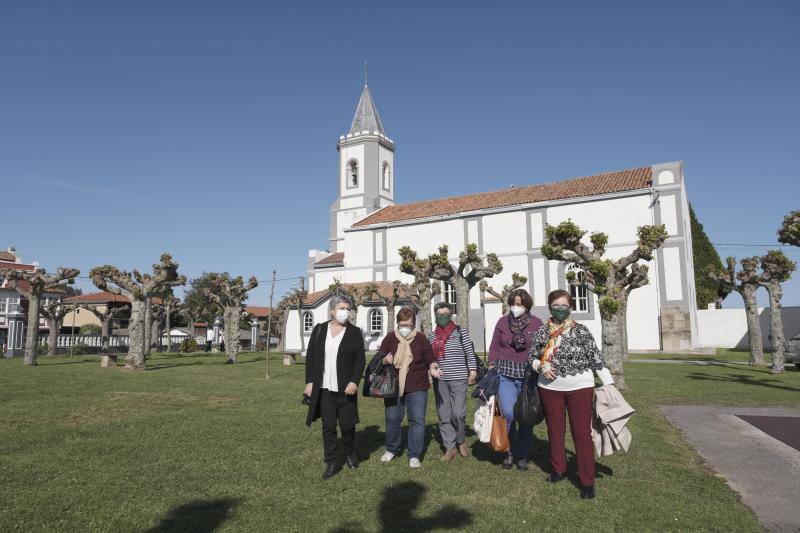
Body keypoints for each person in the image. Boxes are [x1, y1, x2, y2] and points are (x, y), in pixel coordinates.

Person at [529, 289, 615, 499]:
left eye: (564, 305)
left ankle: (587, 480)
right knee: (555, 430)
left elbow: (596, 358)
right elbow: (531, 356)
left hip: (580, 387)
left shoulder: (581, 331)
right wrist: (540, 366)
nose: (560, 309)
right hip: (550, 388)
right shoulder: (542, 332)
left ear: (570, 307)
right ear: (550, 307)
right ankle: (558, 469)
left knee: (581, 433)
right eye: (556, 305)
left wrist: (609, 383)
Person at [304, 295, 366, 480]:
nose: (345, 312)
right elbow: (311, 357)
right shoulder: (319, 329)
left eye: (348, 308)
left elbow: (360, 360)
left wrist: (354, 381)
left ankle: (348, 452)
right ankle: (331, 461)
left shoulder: (354, 332)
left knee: (347, 425)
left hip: (345, 388)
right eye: (341, 308)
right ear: (332, 311)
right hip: (323, 388)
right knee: (328, 426)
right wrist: (310, 382)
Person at [487, 288, 543, 471]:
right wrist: (491, 364)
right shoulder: (502, 322)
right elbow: (494, 346)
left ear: (526, 306)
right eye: (512, 304)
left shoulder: (537, 323)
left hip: (528, 377)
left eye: (518, 304)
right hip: (505, 375)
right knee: (509, 414)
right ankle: (509, 451)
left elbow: (542, 348)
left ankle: (523, 455)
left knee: (525, 417)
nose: (515, 307)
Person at [378, 308, 441, 468]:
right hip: (393, 385)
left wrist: (433, 366)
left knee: (417, 420)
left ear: (413, 324)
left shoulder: (420, 338)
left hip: (417, 385)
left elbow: (430, 356)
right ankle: (392, 449)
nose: (404, 328)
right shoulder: (390, 338)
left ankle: (414, 454)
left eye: (407, 325)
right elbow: (380, 358)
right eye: (401, 325)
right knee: (392, 418)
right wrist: (385, 361)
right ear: (397, 324)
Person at [427, 302, 477, 461]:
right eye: (439, 314)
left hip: (459, 378)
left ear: (451, 315)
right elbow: (429, 357)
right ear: (435, 315)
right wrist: (430, 370)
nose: (442, 317)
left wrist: (473, 371)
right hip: (440, 380)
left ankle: (461, 440)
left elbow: (469, 352)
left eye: (445, 314)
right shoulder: (432, 335)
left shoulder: (460, 331)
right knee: (444, 414)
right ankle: (450, 447)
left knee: (458, 413)